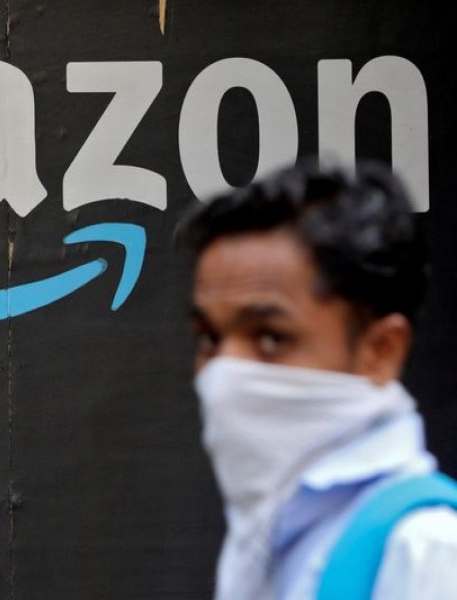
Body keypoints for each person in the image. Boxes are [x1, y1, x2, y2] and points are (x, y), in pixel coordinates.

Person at [177, 161, 457, 599]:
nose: (223, 372)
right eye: (210, 339)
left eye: (270, 338)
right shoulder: (261, 541)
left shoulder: (426, 552)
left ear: (381, 350)